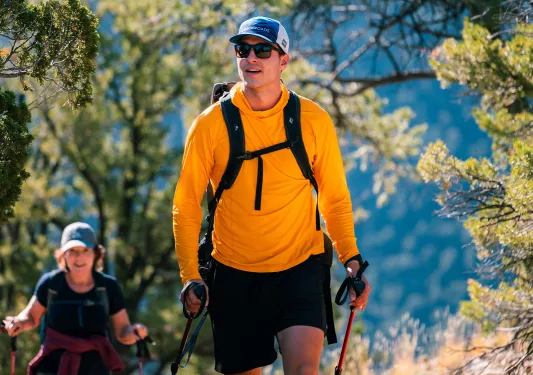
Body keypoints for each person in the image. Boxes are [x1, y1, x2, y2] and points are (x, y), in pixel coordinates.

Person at [172, 16, 371, 375]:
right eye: (242, 49)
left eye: (263, 49)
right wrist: (190, 275)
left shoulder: (313, 120)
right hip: (233, 274)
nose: (251, 57)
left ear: (284, 60)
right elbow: (185, 204)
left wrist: (351, 259)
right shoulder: (209, 125)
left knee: (304, 370)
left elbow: (334, 197)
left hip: (300, 268)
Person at [2, 222, 149, 375]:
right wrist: (17, 322)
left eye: (85, 250)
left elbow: (123, 332)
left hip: (96, 370)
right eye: (72, 250)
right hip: (52, 369)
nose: (79, 257)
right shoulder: (51, 284)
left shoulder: (108, 287)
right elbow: (31, 317)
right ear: (63, 254)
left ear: (95, 254)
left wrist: (134, 332)